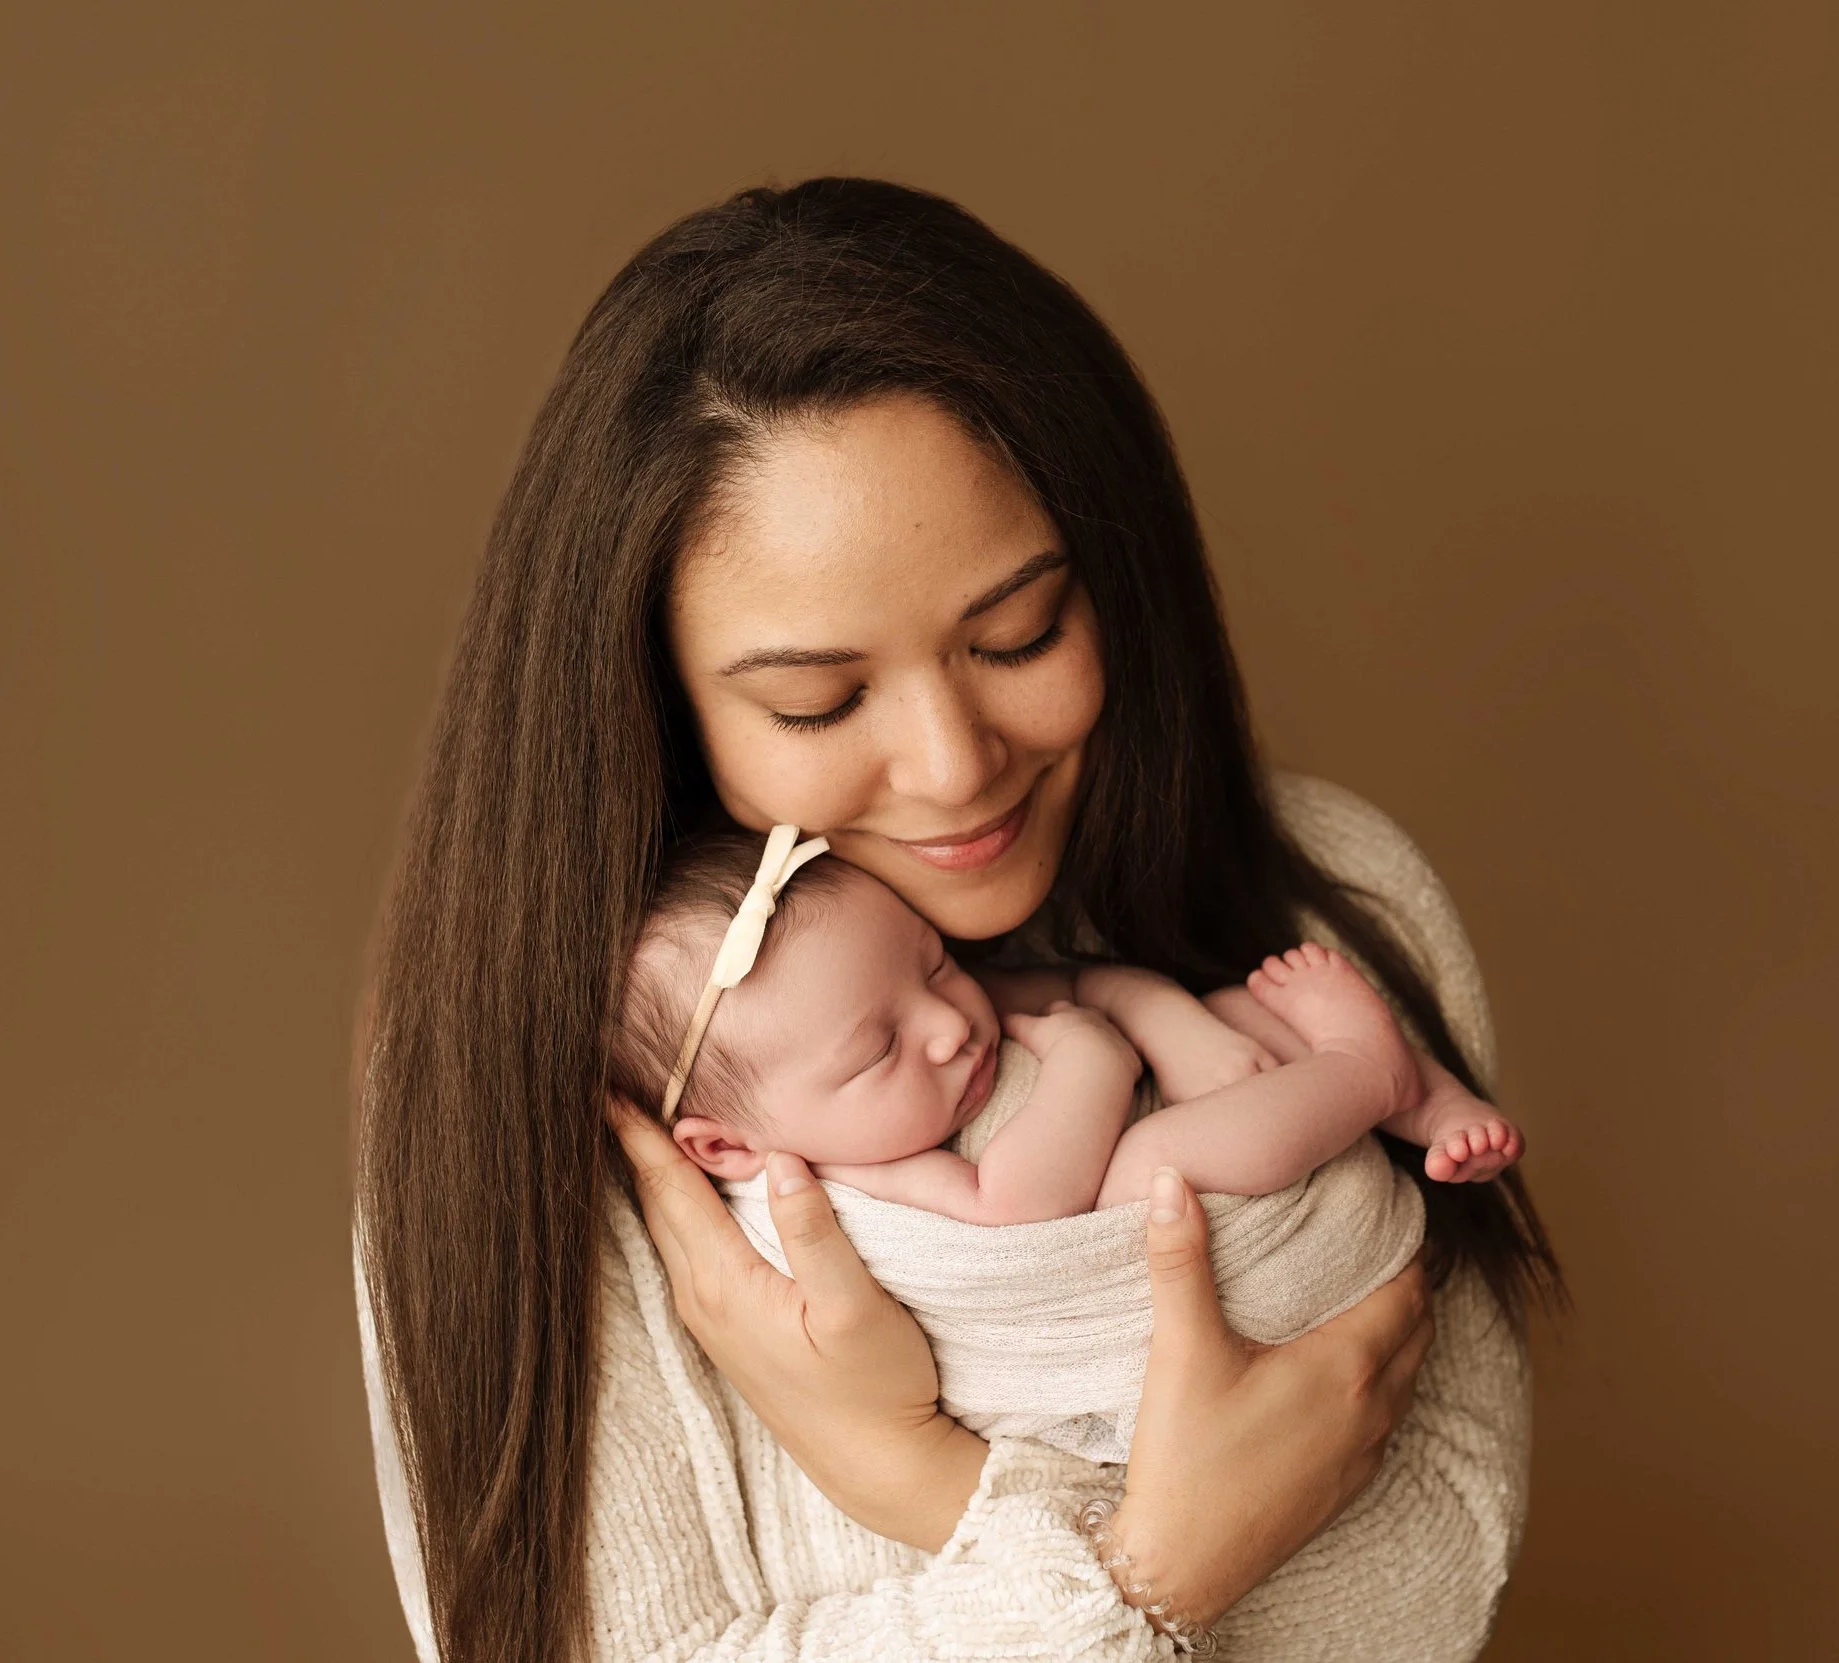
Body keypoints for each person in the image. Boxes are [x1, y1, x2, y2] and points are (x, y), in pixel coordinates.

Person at [355, 176, 1559, 1661]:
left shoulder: (1337, 898)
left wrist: (918, 1477)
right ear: (655, 701)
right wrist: (1144, 1561)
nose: (953, 764)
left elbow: (1437, 1558)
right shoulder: (566, 1120)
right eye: (819, 699)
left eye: (1018, 634)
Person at [613, 828, 1523, 1219]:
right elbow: (1016, 1203)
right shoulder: (842, 1177)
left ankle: (1427, 1105)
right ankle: (1368, 1072)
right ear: (726, 1147)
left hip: (1198, 1085)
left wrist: (1177, 1026)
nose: (948, 1023)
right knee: (1150, 1164)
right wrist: (1093, 1056)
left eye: (934, 960)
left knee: (1235, 1010)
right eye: (880, 1049)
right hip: (1134, 1199)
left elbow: (1091, 982)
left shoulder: (922, 1023)